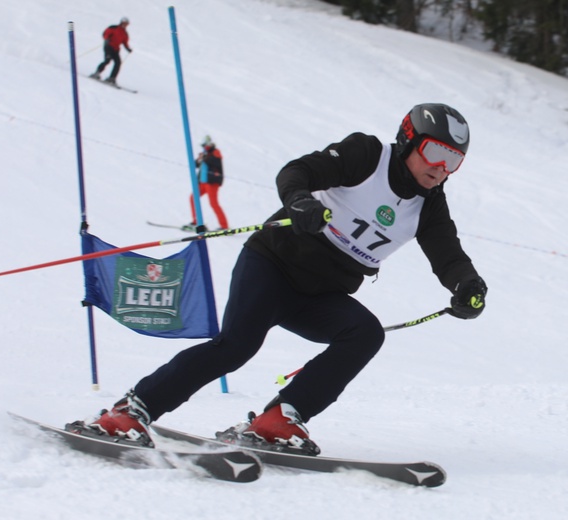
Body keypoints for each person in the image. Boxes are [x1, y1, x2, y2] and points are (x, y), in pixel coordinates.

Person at [78, 103, 488, 453]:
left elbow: (447, 253)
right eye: (435, 152)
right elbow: (297, 171)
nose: (440, 168)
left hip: (321, 294)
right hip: (272, 264)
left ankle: (279, 418)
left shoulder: (429, 205)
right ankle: (131, 410)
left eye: (453, 161)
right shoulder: (367, 155)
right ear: (408, 140)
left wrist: (467, 285)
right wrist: (300, 202)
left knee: (364, 333)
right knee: (235, 347)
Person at [183, 136, 230, 232]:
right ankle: (196, 221)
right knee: (193, 198)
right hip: (202, 182)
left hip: (211, 182)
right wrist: (199, 158)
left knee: (213, 203)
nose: (204, 147)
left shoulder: (215, 152)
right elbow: (196, 164)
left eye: (205, 145)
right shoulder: (205, 154)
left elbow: (214, 161)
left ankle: (224, 226)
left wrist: (204, 157)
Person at [89, 17, 132, 85]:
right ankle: (97, 73)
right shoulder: (113, 28)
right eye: (124, 24)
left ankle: (112, 78)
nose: (125, 25)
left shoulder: (125, 33)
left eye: (127, 24)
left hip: (116, 49)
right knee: (107, 60)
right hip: (108, 46)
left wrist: (128, 48)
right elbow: (105, 33)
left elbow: (125, 42)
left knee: (118, 63)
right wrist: (106, 39)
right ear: (121, 23)